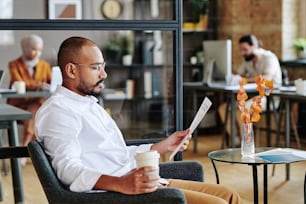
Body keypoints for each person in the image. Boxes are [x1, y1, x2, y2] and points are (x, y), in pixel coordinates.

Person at [35, 36, 241, 204]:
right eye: (96, 67)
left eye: (103, 66)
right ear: (71, 70)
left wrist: (162, 146)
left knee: (229, 195)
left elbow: (119, 155)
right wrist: (120, 183)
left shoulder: (87, 102)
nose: (104, 74)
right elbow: (68, 170)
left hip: (146, 183)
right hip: (121, 195)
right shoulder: (58, 111)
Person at [219, 34, 282, 142]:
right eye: (241, 50)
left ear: (255, 46)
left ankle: (246, 141)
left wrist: (246, 79)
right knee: (223, 108)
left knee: (242, 109)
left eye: (245, 49)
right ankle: (237, 139)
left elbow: (266, 78)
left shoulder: (269, 57)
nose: (242, 53)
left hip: (270, 96)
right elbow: (239, 75)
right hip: (252, 95)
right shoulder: (248, 60)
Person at [8, 34, 52, 149]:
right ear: (25, 48)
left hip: (36, 103)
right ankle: (30, 148)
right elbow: (19, 82)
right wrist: (40, 84)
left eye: (39, 50)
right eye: (34, 49)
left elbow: (52, 83)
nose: (37, 53)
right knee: (34, 113)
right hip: (19, 104)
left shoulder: (45, 65)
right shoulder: (14, 64)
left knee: (35, 109)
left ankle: (25, 146)